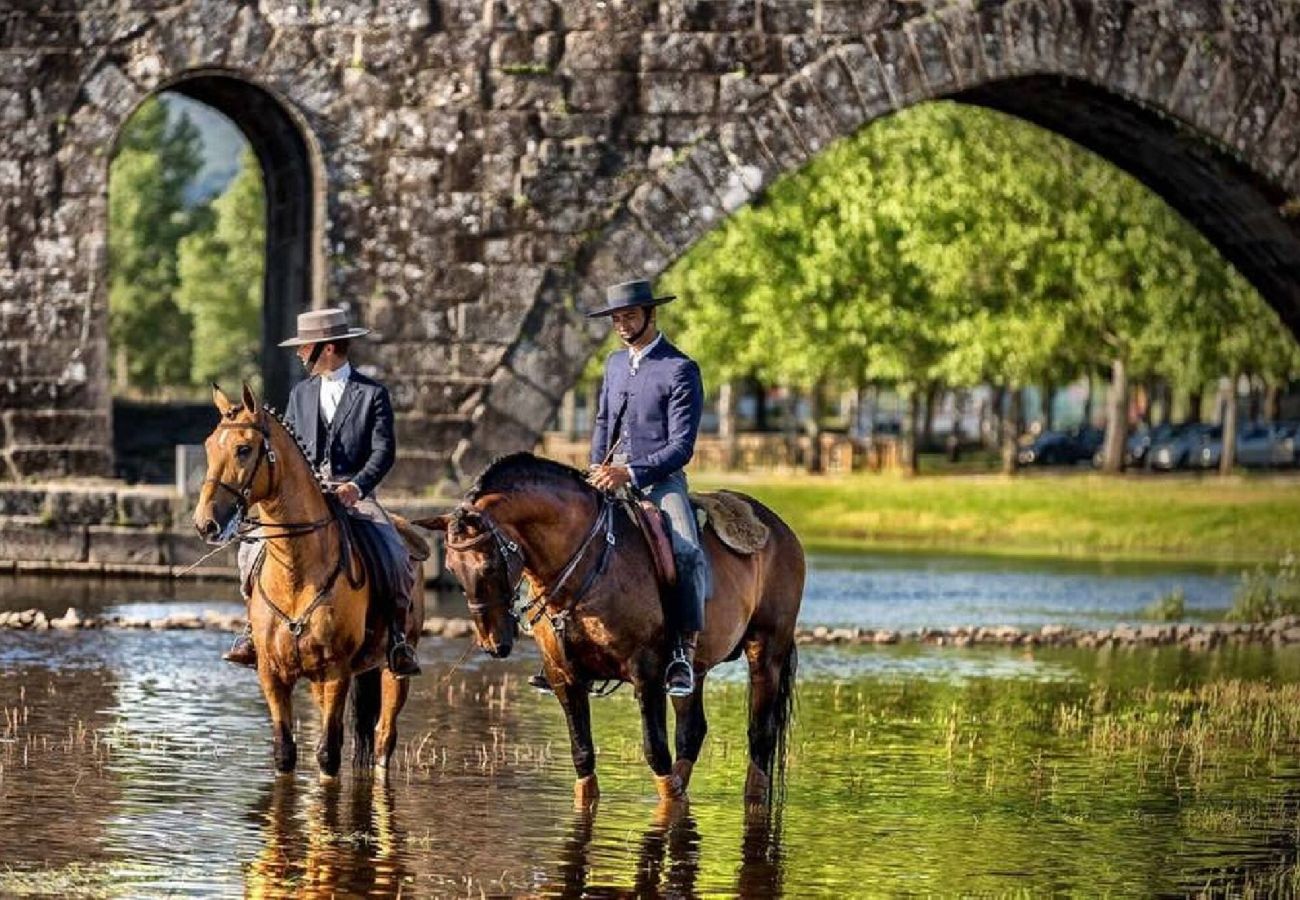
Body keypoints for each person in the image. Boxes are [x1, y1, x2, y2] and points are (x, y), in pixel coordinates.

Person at [530, 279, 709, 698]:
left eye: (629, 316)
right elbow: (602, 422)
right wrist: (596, 466)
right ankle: (557, 649)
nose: (623, 325)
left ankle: (682, 652)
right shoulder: (613, 364)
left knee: (686, 551)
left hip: (659, 480)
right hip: (606, 475)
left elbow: (681, 447)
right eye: (616, 319)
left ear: (651, 314)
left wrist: (629, 472)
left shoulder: (680, 369)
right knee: (557, 540)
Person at [223, 308, 421, 678]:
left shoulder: (373, 394)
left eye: (304, 347)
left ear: (327, 348)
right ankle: (252, 630)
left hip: (355, 493)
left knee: (392, 547)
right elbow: (287, 451)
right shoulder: (300, 393)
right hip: (306, 495)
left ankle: (396, 637)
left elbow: (383, 452)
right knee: (251, 547)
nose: (300, 354)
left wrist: (356, 486)